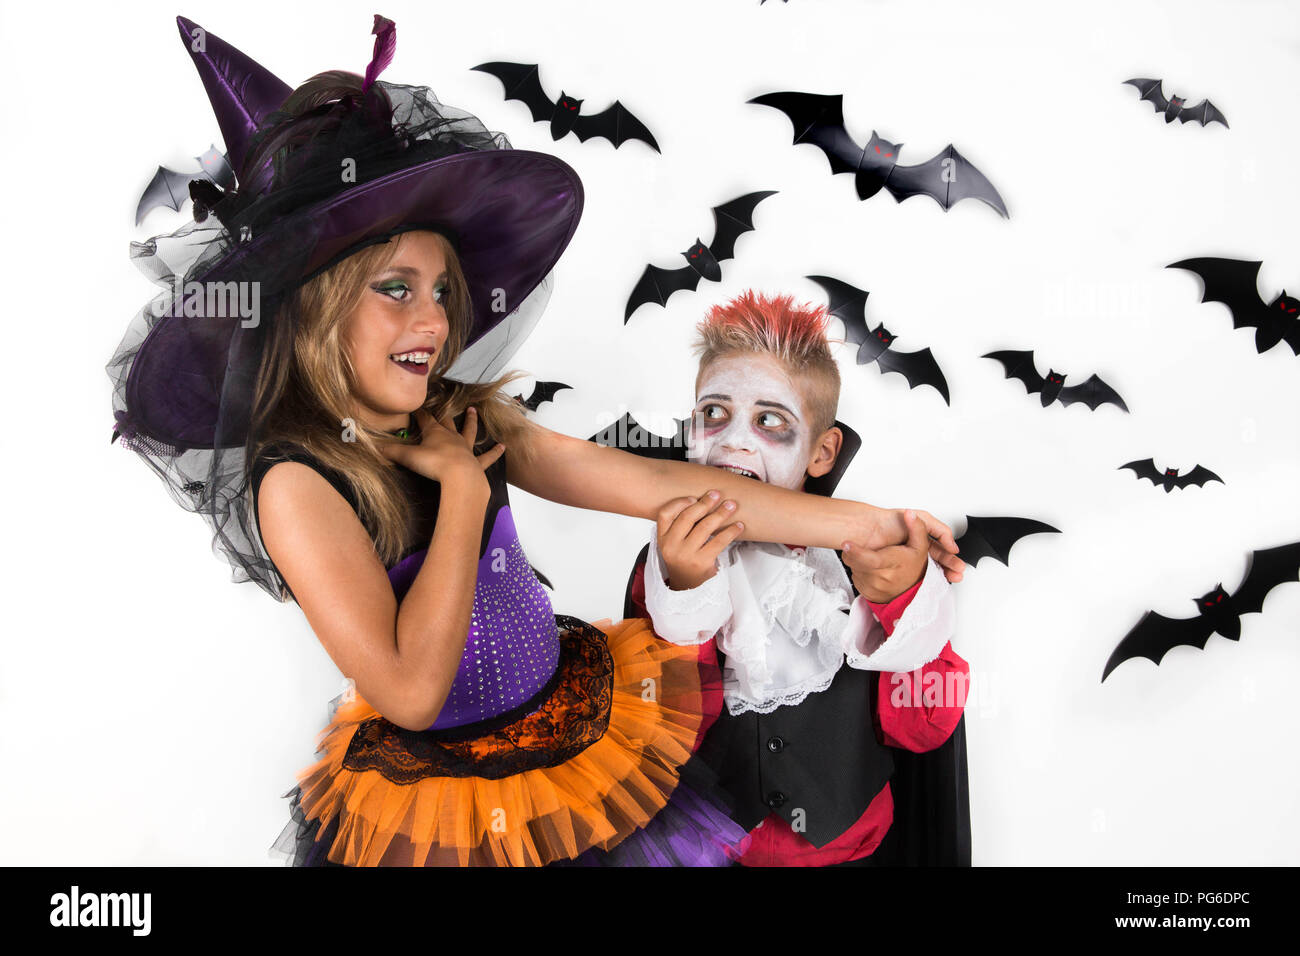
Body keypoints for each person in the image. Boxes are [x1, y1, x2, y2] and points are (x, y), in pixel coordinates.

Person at [107, 14, 964, 866]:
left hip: (572, 738)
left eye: (443, 290)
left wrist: (876, 525)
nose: (433, 319)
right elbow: (408, 689)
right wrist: (463, 497)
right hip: (450, 805)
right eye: (395, 288)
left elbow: (667, 489)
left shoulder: (461, 414)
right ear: (311, 306)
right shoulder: (296, 483)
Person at [631, 290, 971, 865]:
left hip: (851, 852)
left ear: (822, 451)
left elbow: (924, 731)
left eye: (769, 420)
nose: (733, 440)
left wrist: (903, 600)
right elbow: (662, 738)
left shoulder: (868, 562)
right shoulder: (662, 563)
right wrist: (686, 590)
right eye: (714, 413)